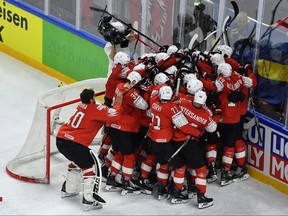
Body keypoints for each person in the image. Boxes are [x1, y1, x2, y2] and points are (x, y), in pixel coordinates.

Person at [56, 89, 123, 211]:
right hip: (74, 144)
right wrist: (118, 104)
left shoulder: (82, 105)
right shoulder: (94, 110)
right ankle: (89, 200)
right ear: (92, 99)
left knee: (77, 162)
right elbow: (115, 116)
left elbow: (98, 109)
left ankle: (68, 190)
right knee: (89, 167)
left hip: (61, 140)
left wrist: (108, 107)